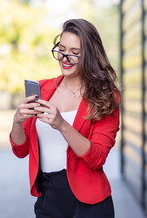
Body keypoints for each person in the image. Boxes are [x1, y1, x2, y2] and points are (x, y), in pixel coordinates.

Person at [9, 18, 121, 218]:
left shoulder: (106, 97)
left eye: (75, 53)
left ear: (90, 56)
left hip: (90, 203)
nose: (65, 57)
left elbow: (97, 158)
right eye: (61, 49)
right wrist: (17, 120)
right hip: (48, 197)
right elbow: (21, 150)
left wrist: (62, 124)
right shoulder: (42, 89)